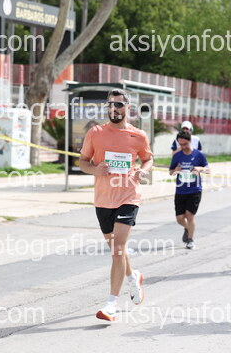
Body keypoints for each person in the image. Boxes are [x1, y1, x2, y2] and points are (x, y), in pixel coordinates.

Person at [79, 89, 153, 321]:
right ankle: (133, 277)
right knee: (117, 249)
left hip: (128, 196)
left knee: (118, 248)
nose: (114, 108)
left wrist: (143, 171)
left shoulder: (138, 135)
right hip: (103, 199)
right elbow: (83, 162)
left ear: (127, 107)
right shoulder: (96, 133)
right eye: (110, 104)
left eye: (119, 104)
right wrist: (95, 169)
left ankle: (111, 304)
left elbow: (148, 158)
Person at [169, 131, 210, 249]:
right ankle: (187, 228)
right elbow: (171, 172)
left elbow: (208, 169)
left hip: (195, 190)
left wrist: (200, 169)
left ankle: (190, 240)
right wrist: (176, 170)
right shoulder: (177, 155)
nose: (183, 147)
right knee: (180, 218)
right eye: (180, 144)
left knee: (190, 215)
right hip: (180, 190)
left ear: (190, 141)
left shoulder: (199, 155)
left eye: (185, 144)